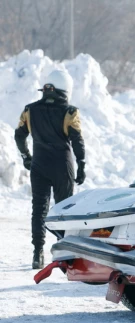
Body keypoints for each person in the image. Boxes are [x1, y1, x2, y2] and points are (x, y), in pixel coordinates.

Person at [14, 70, 86, 269]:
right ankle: (64, 253)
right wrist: (82, 164)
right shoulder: (70, 112)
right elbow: (77, 139)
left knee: (39, 210)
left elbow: (19, 136)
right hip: (62, 166)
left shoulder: (30, 110)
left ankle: (38, 253)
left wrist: (26, 157)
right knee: (63, 210)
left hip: (39, 165)